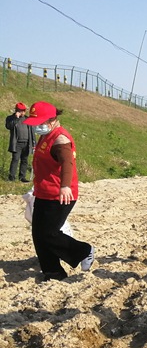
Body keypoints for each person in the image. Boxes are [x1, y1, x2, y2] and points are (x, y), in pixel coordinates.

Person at [25, 101, 95, 281]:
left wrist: (64, 186)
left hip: (61, 194)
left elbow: (67, 164)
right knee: (38, 234)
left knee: (49, 233)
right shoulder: (46, 135)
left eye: (40, 122)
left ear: (53, 120)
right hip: (43, 192)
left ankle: (84, 251)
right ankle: (53, 272)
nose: (37, 127)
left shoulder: (60, 139)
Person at [6, 102, 36, 182]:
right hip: (17, 143)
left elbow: (32, 131)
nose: (23, 112)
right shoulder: (10, 118)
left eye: (24, 111)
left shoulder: (27, 119)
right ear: (17, 110)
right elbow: (9, 126)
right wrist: (16, 118)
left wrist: (34, 143)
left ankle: (22, 177)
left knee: (25, 160)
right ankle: (11, 177)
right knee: (15, 159)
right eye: (21, 111)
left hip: (27, 143)